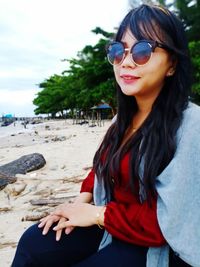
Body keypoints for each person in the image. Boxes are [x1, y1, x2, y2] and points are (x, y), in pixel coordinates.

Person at [12, 3, 200, 267]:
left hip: (158, 243)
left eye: (142, 50)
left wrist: (98, 214)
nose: (126, 62)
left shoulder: (191, 127)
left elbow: (173, 221)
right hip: (113, 223)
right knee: (34, 242)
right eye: (117, 51)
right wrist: (78, 205)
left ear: (172, 64)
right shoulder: (120, 121)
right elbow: (101, 168)